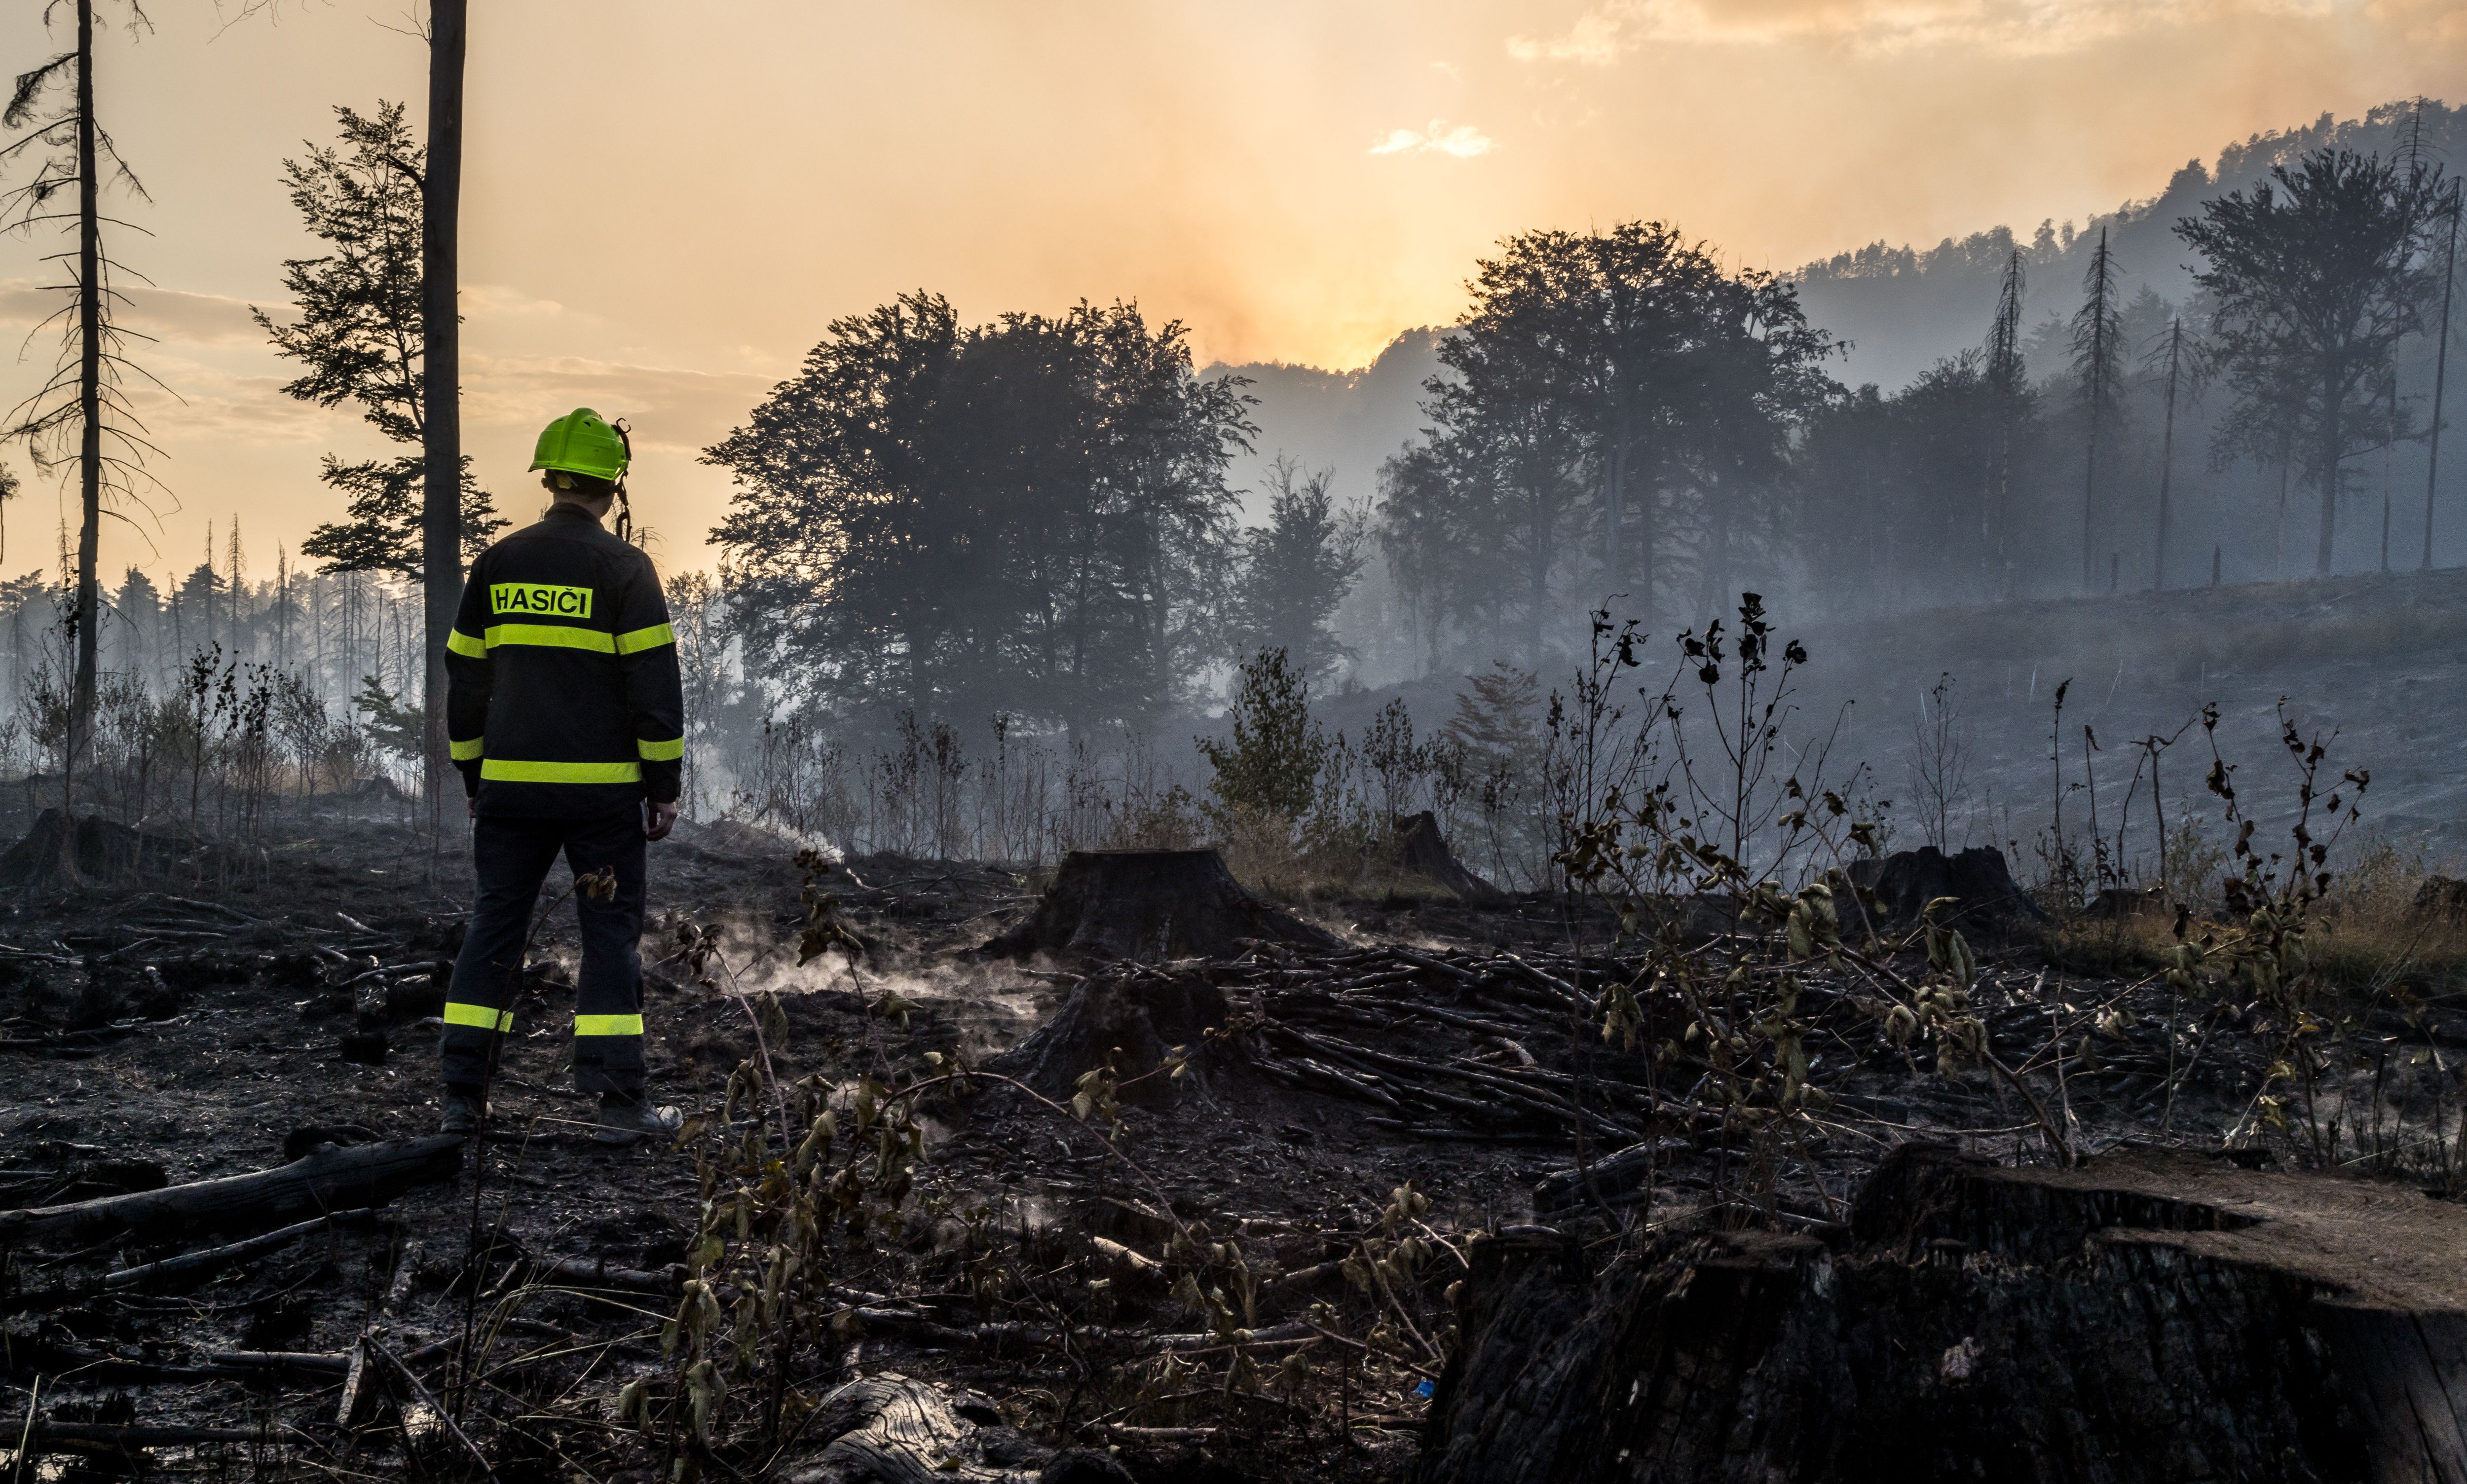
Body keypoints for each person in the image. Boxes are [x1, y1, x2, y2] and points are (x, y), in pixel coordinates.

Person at [435, 407, 686, 1147]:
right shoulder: (625, 570)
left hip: (509, 793)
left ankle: (462, 1100)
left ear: (547, 479)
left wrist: (474, 776)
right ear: (614, 488)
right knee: (609, 937)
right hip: (601, 798)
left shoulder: (498, 563)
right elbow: (654, 688)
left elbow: (465, 679)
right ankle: (617, 1106)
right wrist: (662, 785)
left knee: (494, 929)